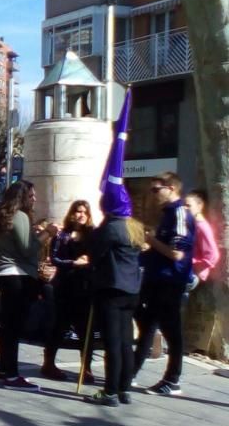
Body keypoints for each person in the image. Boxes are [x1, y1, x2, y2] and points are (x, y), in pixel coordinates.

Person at [0, 180, 58, 391]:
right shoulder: (20, 216)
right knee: (14, 326)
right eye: (31, 195)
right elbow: (28, 249)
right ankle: (11, 374)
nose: (34, 199)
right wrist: (49, 233)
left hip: (1, 274)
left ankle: (4, 370)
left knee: (6, 326)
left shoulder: (4, 216)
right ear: (21, 197)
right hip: (16, 276)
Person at [133, 172, 195, 396]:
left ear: (171, 188)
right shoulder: (167, 214)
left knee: (170, 330)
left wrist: (151, 240)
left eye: (156, 189)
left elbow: (177, 254)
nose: (153, 194)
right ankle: (130, 372)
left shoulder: (179, 213)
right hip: (156, 278)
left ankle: (172, 378)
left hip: (170, 280)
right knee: (146, 324)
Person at [84, 183, 145, 406]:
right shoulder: (134, 227)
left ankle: (110, 391)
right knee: (126, 342)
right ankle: (124, 388)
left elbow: (94, 252)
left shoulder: (110, 228)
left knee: (113, 342)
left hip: (111, 289)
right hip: (131, 290)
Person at [42, 200, 95, 382]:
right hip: (65, 286)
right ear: (71, 214)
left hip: (85, 288)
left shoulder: (92, 235)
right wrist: (73, 263)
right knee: (60, 326)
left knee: (85, 330)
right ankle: (48, 363)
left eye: (84, 212)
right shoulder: (62, 235)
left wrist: (89, 259)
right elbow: (55, 259)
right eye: (77, 211)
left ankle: (86, 368)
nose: (80, 215)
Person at [184, 189, 220, 291]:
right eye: (184, 205)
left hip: (193, 276)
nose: (185, 208)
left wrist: (195, 266)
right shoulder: (193, 225)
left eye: (188, 205)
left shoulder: (202, 226)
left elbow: (213, 255)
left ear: (200, 206)